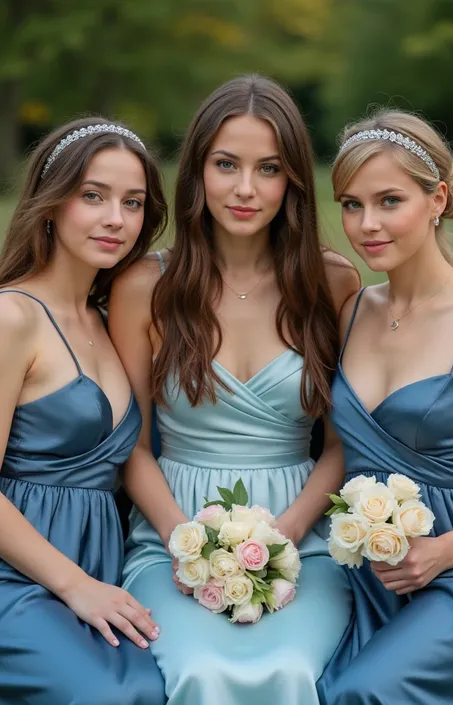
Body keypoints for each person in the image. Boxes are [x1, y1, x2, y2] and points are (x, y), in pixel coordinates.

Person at [109, 74, 359, 705]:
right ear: (197, 173)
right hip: (171, 528)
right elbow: (131, 446)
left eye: (268, 168)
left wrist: (286, 534)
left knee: (291, 670)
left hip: (305, 536)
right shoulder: (145, 285)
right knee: (201, 673)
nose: (246, 189)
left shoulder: (333, 285)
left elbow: (342, 442)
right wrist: (188, 544)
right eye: (226, 164)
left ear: (293, 181)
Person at [0, 117, 168, 704]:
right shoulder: (13, 318)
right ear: (50, 203)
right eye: (92, 196)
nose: (115, 219)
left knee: (157, 682)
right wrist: (76, 586)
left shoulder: (106, 319)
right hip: (22, 574)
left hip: (103, 566)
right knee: (107, 694)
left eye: (133, 202)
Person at [317, 110, 453, 705]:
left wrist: (445, 551)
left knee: (364, 691)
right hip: (362, 569)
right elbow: (334, 449)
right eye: (351, 205)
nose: (366, 224)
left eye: (388, 201)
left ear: (436, 199)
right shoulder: (351, 311)